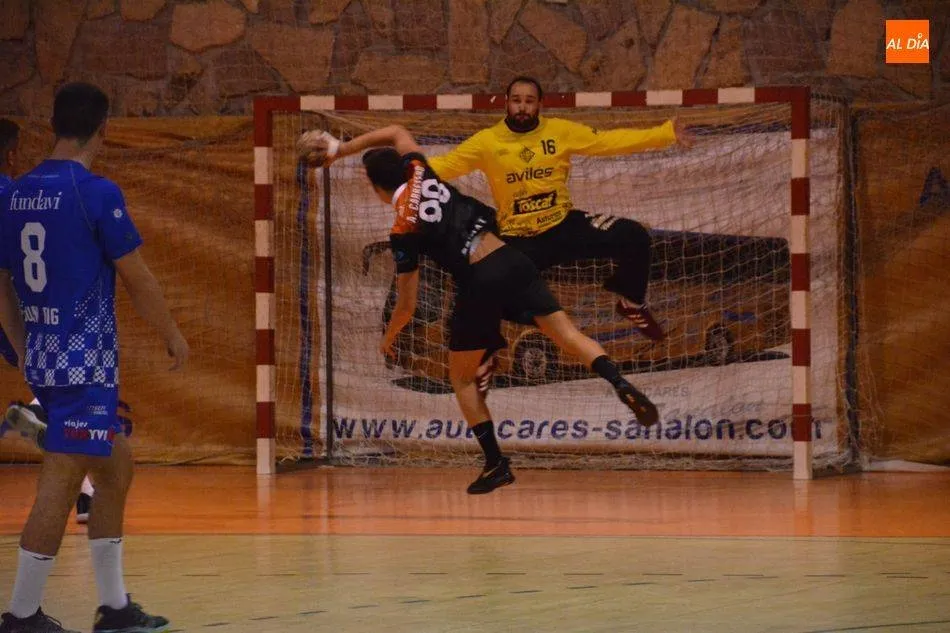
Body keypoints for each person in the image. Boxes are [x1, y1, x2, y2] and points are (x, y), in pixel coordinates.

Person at [301, 125, 659, 495]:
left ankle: (495, 463)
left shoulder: (402, 230)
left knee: (461, 379)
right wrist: (340, 149)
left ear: (374, 186)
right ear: (403, 167)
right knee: (567, 335)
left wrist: (388, 338)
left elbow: (406, 305)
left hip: (480, 280)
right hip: (513, 260)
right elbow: (396, 131)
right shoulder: (423, 170)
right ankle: (618, 381)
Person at [0, 82, 188, 633]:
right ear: (104, 128)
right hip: (85, 365)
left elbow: (2, 282)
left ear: (54, 124)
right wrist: (173, 334)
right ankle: (20, 614)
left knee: (115, 470)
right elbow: (138, 277)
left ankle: (114, 609)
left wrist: (21, 345)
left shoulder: (15, 192)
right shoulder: (95, 192)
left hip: (45, 358)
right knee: (61, 481)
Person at [426, 76, 695, 340]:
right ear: (506, 103)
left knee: (635, 235)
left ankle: (631, 304)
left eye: (529, 101)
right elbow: (445, 165)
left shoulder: (559, 131)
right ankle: (478, 351)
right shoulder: (487, 141)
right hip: (520, 238)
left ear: (540, 104)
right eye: (517, 100)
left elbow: (607, 141)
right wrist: (401, 168)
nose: (522, 107)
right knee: (481, 288)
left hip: (563, 225)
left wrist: (664, 134)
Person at [0, 118, 98, 528]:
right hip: (22, 308)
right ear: (10, 153)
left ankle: (85, 492)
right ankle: (86, 495)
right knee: (76, 394)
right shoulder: (16, 194)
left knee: (64, 396)